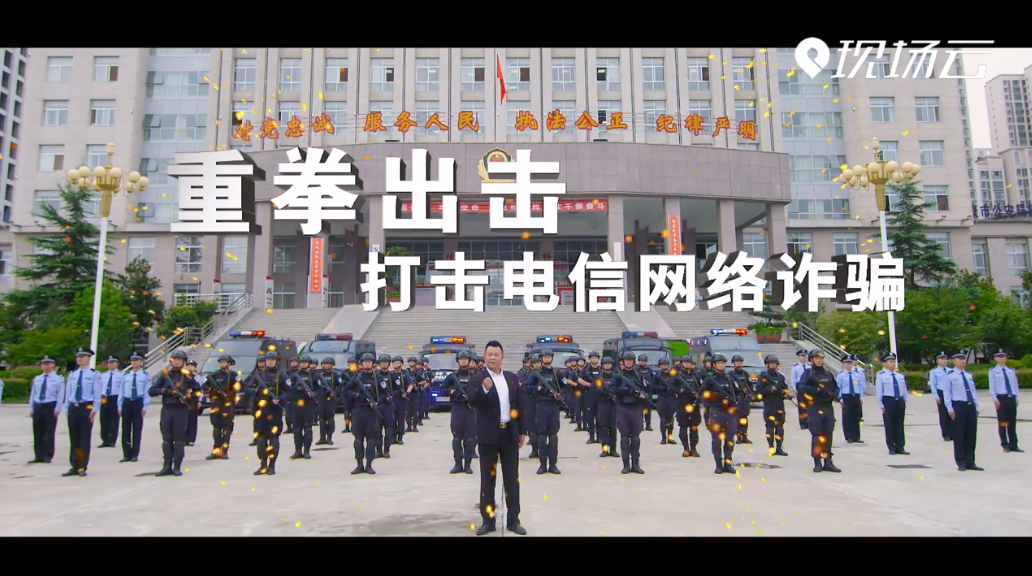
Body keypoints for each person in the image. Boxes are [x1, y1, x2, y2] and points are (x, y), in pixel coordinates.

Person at [469, 340, 527, 536]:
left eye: (496, 355)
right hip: (488, 436)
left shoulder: (511, 378)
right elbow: (472, 401)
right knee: (488, 481)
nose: (492, 358)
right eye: (489, 354)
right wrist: (484, 389)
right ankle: (488, 521)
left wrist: (522, 431)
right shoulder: (478, 378)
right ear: (485, 356)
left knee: (512, 479)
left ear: (502, 358)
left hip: (509, 434)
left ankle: (513, 520)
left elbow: (519, 405)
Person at [148, 350, 200, 477]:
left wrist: (188, 397)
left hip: (181, 410)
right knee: (166, 439)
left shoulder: (188, 376)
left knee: (179, 440)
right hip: (167, 409)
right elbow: (151, 390)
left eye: (179, 360)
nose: (176, 362)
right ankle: (167, 466)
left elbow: (198, 391)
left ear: (184, 362)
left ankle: (177, 466)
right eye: (174, 359)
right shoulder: (166, 375)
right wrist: (165, 391)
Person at [797, 349, 841, 473]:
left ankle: (828, 462)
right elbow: (801, 387)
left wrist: (835, 395)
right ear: (811, 359)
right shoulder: (808, 374)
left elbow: (835, 387)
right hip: (815, 406)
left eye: (821, 358)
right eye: (816, 358)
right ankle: (817, 462)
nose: (819, 360)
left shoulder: (828, 374)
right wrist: (816, 390)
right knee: (817, 436)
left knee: (828, 435)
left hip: (828, 406)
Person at [63, 347, 103, 477]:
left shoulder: (94, 374)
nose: (79, 359)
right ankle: (74, 465)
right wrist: (67, 408)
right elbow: (68, 392)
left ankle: (82, 466)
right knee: (74, 438)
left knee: (84, 438)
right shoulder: (73, 375)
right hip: (73, 407)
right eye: (78, 357)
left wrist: (95, 409)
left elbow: (97, 393)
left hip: (86, 407)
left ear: (89, 358)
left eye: (83, 356)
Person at [252, 350, 291, 475]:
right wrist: (256, 391)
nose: (269, 362)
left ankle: (272, 465)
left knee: (273, 440)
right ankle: (262, 465)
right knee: (260, 441)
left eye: (272, 360)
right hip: (261, 412)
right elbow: (247, 388)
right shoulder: (258, 375)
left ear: (277, 361)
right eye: (268, 360)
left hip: (274, 412)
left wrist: (280, 399)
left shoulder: (282, 375)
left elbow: (289, 392)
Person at [525, 348, 563, 474]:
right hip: (541, 406)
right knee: (541, 437)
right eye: (545, 357)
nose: (547, 359)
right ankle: (542, 465)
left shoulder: (557, 373)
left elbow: (565, 387)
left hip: (553, 407)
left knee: (553, 437)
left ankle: (553, 465)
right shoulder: (536, 374)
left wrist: (560, 395)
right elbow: (526, 388)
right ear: (541, 359)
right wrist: (538, 389)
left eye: (549, 356)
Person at [943, 350, 982, 471]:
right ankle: (961, 462)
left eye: (964, 359)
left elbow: (973, 392)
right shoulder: (949, 376)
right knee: (959, 435)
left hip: (970, 406)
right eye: (960, 359)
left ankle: (971, 461)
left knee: (971, 435)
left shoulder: (968, 375)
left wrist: (976, 406)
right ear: (954, 361)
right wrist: (950, 409)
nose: (963, 361)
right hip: (958, 406)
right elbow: (947, 393)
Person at [346, 353, 384, 474]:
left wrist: (377, 402)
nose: (367, 364)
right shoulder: (356, 378)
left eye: (369, 362)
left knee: (371, 439)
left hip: (371, 412)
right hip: (358, 410)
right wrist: (357, 395)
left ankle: (369, 464)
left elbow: (386, 393)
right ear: (361, 364)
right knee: (358, 439)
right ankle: (359, 464)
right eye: (365, 362)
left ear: (373, 364)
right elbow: (345, 390)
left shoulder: (378, 378)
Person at [701, 354, 738, 474]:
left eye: (723, 363)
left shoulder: (729, 378)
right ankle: (718, 464)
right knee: (716, 439)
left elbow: (737, 391)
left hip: (729, 412)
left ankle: (728, 463)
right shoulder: (710, 379)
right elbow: (701, 394)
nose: (721, 365)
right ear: (714, 365)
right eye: (719, 363)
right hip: (716, 411)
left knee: (730, 438)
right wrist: (715, 396)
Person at [441, 350, 477, 474]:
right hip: (458, 408)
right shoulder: (453, 376)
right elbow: (443, 389)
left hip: (470, 409)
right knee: (457, 438)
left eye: (465, 359)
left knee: (470, 439)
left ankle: (467, 465)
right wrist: (453, 392)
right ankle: (458, 464)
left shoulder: (475, 375)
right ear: (458, 361)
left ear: (469, 361)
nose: (463, 361)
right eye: (461, 359)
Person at [613, 351, 648, 474]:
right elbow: (612, 389)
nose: (628, 362)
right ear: (623, 362)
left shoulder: (638, 375)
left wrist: (642, 394)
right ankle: (626, 465)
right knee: (625, 437)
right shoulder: (618, 375)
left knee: (636, 437)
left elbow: (647, 388)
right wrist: (627, 390)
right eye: (626, 360)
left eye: (630, 360)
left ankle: (635, 464)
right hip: (623, 408)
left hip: (636, 408)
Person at [28, 356, 64, 464]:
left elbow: (60, 395)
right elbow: (33, 394)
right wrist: (31, 408)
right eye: (44, 364)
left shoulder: (58, 379)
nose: (45, 366)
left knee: (49, 431)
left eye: (48, 364)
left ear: (53, 365)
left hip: (50, 405)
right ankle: (38, 456)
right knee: (37, 431)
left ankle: (48, 455)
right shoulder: (37, 378)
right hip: (38, 405)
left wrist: (58, 408)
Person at [201, 354, 236, 461]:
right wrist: (211, 389)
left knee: (226, 429)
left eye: (224, 362)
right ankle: (216, 451)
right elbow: (204, 386)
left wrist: (230, 391)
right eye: (221, 362)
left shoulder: (233, 375)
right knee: (216, 429)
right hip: (216, 404)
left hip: (228, 404)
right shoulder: (214, 375)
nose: (222, 364)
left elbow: (239, 387)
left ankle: (224, 451)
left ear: (229, 363)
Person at [118, 353, 150, 463]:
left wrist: (145, 406)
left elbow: (146, 392)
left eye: (137, 360)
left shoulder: (145, 376)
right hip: (127, 402)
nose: (134, 363)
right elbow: (121, 391)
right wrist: (119, 406)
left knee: (137, 429)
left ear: (141, 362)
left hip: (138, 402)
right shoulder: (126, 375)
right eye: (133, 360)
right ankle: (126, 454)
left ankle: (135, 454)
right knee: (125, 429)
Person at [875, 353, 909, 455]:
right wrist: (881, 404)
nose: (893, 364)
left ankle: (900, 446)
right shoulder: (881, 376)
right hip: (888, 400)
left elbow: (904, 390)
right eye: (890, 362)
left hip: (900, 401)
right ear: (884, 364)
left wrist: (905, 401)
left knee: (899, 424)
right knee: (889, 424)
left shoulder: (899, 376)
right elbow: (879, 391)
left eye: (894, 361)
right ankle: (891, 447)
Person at [989, 350, 1021, 453]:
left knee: (1012, 422)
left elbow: (1015, 385)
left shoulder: (1010, 370)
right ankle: (1004, 444)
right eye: (999, 357)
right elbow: (992, 386)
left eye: (1003, 357)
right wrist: (994, 399)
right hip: (1001, 398)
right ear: (995, 359)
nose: (1002, 359)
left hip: (1011, 397)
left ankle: (1013, 445)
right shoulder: (993, 371)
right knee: (1003, 422)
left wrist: (1016, 397)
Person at [757, 354, 790, 456]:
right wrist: (771, 391)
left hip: (779, 404)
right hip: (769, 404)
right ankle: (771, 447)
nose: (773, 365)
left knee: (780, 427)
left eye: (774, 363)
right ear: (767, 364)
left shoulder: (780, 376)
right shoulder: (763, 376)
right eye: (771, 363)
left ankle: (779, 447)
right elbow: (759, 389)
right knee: (770, 427)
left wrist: (786, 394)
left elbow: (785, 388)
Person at [288, 355, 318, 460]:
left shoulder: (314, 376)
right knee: (296, 429)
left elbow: (319, 389)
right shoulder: (294, 376)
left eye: (305, 362)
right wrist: (299, 390)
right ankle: (298, 451)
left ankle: (307, 451)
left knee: (308, 429)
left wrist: (313, 394)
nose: (303, 364)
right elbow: (289, 390)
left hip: (308, 406)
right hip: (297, 405)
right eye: (302, 362)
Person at [672, 355, 702, 458]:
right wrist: (680, 391)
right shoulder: (678, 376)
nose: (687, 364)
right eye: (685, 362)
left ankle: (693, 449)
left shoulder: (696, 375)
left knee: (694, 427)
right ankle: (686, 449)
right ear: (682, 363)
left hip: (694, 404)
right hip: (682, 403)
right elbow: (671, 387)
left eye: (689, 362)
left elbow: (702, 387)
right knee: (683, 427)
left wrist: (699, 394)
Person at [595, 356, 620, 458]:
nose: (607, 366)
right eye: (605, 364)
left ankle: (613, 449)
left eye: (609, 364)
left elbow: (619, 388)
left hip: (613, 404)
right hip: (603, 403)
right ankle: (605, 449)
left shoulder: (616, 377)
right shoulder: (599, 377)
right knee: (603, 427)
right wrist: (607, 391)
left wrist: (614, 392)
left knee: (613, 427)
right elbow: (598, 390)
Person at [837, 355, 864, 444]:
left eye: (850, 363)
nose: (849, 365)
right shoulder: (841, 375)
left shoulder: (857, 374)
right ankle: (848, 436)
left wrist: (861, 397)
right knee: (847, 417)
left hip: (855, 396)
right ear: (843, 364)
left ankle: (856, 436)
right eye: (847, 363)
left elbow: (860, 386)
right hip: (846, 396)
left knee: (856, 417)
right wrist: (840, 399)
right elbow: (839, 387)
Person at [577, 351, 603, 445]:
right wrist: (589, 385)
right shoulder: (586, 369)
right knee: (590, 417)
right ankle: (591, 437)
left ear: (598, 359)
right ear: (590, 359)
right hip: (589, 396)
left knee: (599, 417)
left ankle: (599, 437)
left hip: (600, 396)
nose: (594, 359)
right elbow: (579, 380)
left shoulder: (601, 369)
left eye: (596, 358)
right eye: (592, 358)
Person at [98, 356, 123, 448]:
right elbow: (100, 387)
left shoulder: (121, 375)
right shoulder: (103, 375)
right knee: (103, 419)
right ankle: (105, 440)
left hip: (115, 397)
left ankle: (112, 440)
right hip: (104, 397)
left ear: (117, 364)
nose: (111, 364)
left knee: (114, 419)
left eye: (113, 362)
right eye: (109, 362)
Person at [727, 354, 754, 444]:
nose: (739, 363)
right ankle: (739, 437)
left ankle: (744, 436)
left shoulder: (745, 374)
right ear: (733, 363)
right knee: (737, 418)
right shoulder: (730, 374)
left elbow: (750, 384)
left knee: (744, 418)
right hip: (736, 399)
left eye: (740, 362)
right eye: (737, 362)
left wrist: (750, 394)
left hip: (745, 399)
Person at [374, 354, 396, 458]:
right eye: (382, 362)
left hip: (388, 406)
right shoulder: (375, 376)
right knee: (377, 430)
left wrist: (391, 395)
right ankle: (378, 450)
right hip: (378, 406)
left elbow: (399, 388)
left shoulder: (393, 375)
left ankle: (386, 450)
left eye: (386, 362)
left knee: (389, 430)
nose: (384, 364)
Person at [315, 357, 342, 445]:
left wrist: (335, 393)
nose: (326, 365)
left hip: (331, 400)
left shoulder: (335, 375)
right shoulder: (319, 375)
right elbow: (315, 386)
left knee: (330, 419)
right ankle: (322, 437)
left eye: (328, 364)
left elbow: (340, 387)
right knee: (321, 420)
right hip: (321, 399)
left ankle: (329, 437)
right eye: (325, 364)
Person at [928, 352, 953, 442]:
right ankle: (946, 434)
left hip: (950, 393)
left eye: (945, 359)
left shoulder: (951, 370)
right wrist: (936, 396)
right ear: (937, 361)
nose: (944, 361)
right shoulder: (934, 372)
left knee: (952, 412)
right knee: (943, 414)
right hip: (941, 392)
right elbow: (933, 384)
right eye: (942, 359)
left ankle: (953, 432)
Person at [389, 356, 413, 446]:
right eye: (395, 363)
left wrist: (407, 392)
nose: (396, 364)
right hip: (392, 399)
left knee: (400, 419)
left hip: (402, 399)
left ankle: (400, 437)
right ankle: (393, 437)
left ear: (401, 364)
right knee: (392, 419)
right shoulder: (390, 374)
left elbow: (411, 384)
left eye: (398, 363)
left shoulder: (405, 374)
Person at [521, 354, 541, 459]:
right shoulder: (528, 373)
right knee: (533, 428)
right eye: (534, 363)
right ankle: (534, 450)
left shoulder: (544, 372)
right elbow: (525, 387)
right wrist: (536, 388)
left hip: (543, 402)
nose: (536, 365)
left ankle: (542, 450)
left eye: (538, 363)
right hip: (531, 402)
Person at [653, 358, 677, 445]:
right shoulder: (657, 376)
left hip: (671, 398)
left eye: (666, 364)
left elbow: (677, 385)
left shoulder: (672, 375)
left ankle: (670, 437)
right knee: (663, 419)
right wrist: (663, 388)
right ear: (660, 366)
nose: (664, 366)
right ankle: (663, 438)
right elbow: (653, 386)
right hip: (662, 398)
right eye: (663, 364)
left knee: (670, 418)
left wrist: (673, 389)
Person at [246, 355, 268, 446]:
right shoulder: (254, 374)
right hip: (257, 400)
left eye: (262, 362)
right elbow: (247, 386)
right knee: (257, 422)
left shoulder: (270, 373)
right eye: (259, 362)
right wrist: (254, 390)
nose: (261, 364)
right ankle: (256, 438)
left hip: (268, 400)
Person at [635, 354, 655, 431]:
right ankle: (641, 425)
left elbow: (653, 379)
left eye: (644, 361)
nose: (642, 362)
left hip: (648, 392)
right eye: (641, 361)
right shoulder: (636, 370)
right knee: (640, 410)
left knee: (648, 410)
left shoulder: (649, 370)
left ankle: (648, 425)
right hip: (640, 392)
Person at [791, 350, 810, 430]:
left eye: (804, 356)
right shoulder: (795, 368)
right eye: (802, 356)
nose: (803, 358)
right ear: (798, 357)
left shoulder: (809, 367)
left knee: (809, 406)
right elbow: (793, 379)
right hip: (800, 387)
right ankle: (802, 423)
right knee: (801, 406)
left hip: (808, 387)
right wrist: (794, 388)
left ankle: (809, 422)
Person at [184, 359, 201, 446]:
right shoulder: (184, 376)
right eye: (188, 365)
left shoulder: (197, 377)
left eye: (192, 366)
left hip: (194, 400)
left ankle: (191, 439)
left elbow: (200, 390)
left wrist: (200, 401)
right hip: (185, 400)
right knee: (184, 419)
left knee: (192, 420)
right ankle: (184, 438)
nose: (190, 367)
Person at [405, 357, 423, 433]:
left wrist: (417, 384)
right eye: (410, 362)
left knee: (415, 410)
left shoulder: (418, 372)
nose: (411, 363)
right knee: (408, 410)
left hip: (415, 393)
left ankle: (415, 426)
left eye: (412, 362)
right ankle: (409, 426)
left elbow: (424, 381)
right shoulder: (406, 372)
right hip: (408, 393)